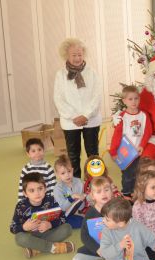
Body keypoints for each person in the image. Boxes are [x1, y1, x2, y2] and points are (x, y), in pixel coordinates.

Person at [54, 38, 102, 178]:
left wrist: (86, 115)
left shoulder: (92, 72)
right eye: (74, 55)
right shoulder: (60, 75)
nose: (77, 58)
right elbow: (58, 99)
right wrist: (74, 116)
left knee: (93, 154)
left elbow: (96, 96)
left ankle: (96, 182)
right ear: (67, 56)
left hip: (91, 120)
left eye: (80, 54)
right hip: (70, 122)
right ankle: (75, 185)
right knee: (73, 156)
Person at [10, 173, 74, 259]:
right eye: (31, 190)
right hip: (31, 235)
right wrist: (24, 227)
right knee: (19, 238)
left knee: (68, 228)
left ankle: (37, 248)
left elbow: (62, 218)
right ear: (25, 193)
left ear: (45, 189)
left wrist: (50, 224)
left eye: (40, 188)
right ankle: (52, 247)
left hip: (48, 232)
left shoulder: (51, 200)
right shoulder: (21, 206)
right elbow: (13, 227)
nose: (37, 193)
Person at [109, 85, 152, 200]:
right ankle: (127, 194)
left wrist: (142, 145)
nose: (134, 102)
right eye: (130, 99)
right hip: (126, 153)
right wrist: (113, 152)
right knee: (128, 174)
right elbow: (117, 136)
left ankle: (138, 194)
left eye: (136, 98)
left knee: (139, 173)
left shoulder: (144, 115)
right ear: (124, 101)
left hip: (139, 151)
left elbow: (147, 132)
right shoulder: (122, 117)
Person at [72, 176, 113, 260]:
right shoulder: (90, 213)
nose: (103, 194)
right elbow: (84, 236)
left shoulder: (117, 208)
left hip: (115, 246)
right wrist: (97, 249)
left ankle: (110, 257)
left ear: (111, 191)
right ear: (93, 196)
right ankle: (103, 256)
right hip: (97, 246)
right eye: (99, 192)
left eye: (106, 190)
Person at [52, 155, 86, 228]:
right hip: (64, 214)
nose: (67, 175)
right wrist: (72, 197)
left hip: (79, 211)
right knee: (80, 222)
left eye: (69, 171)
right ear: (57, 175)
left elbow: (82, 205)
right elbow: (63, 208)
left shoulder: (79, 182)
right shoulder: (58, 189)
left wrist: (84, 198)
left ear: (73, 170)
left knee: (93, 213)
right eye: (63, 173)